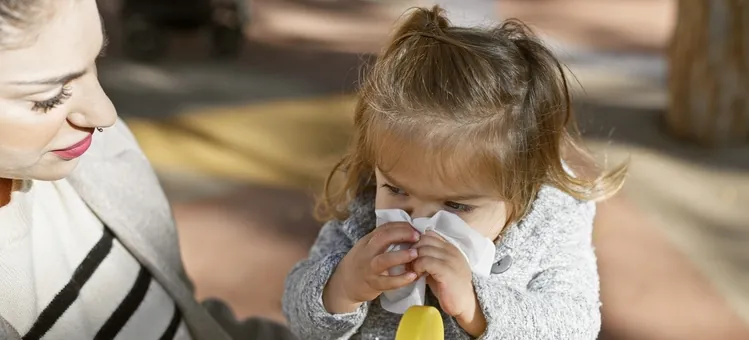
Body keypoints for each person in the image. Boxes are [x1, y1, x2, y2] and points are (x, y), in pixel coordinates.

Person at [282, 6, 627, 340]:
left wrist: (476, 306)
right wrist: (341, 287)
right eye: (398, 190)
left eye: (457, 206)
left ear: (521, 190)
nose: (421, 222)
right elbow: (297, 310)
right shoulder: (362, 213)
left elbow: (576, 323)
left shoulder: (549, 224)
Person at [0, 0, 295, 339]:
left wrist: (331, 317)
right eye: (50, 97)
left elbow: (183, 318)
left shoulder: (94, 154)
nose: (105, 115)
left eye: (96, 62)